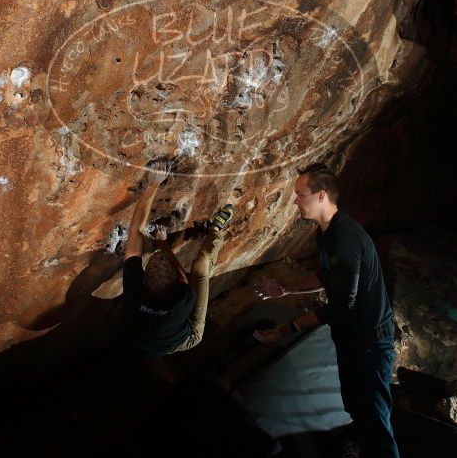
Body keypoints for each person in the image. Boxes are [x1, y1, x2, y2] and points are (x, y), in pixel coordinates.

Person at [253, 163, 399, 458]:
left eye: (300, 194)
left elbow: (341, 308)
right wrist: (286, 289)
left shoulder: (345, 239)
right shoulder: (326, 232)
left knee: (375, 419)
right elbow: (326, 277)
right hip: (352, 338)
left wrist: (286, 329)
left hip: (369, 341)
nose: (295, 200)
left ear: (321, 195)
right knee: (355, 406)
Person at [122, 161, 234, 358]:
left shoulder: (134, 291)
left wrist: (152, 186)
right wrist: (164, 245)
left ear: (144, 279)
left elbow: (135, 231)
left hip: (143, 342)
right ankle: (216, 229)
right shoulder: (182, 300)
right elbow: (184, 273)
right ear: (178, 282)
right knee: (201, 267)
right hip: (185, 339)